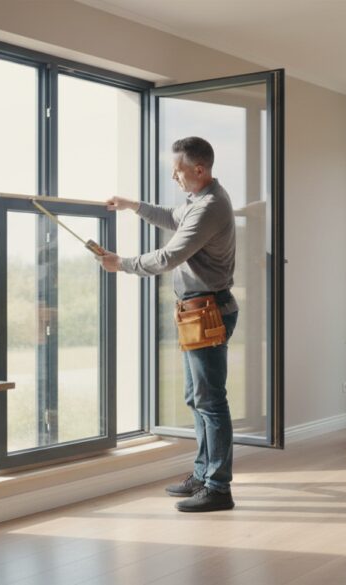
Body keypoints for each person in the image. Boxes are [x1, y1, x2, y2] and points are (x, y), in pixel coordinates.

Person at [100, 136, 239, 513]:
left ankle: (218, 487)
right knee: (198, 398)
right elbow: (171, 217)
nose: (173, 177)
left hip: (208, 310)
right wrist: (133, 206)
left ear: (199, 170)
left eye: (177, 171)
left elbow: (170, 256)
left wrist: (123, 264)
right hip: (197, 310)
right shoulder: (198, 201)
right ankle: (204, 474)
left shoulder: (211, 206)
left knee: (211, 402)